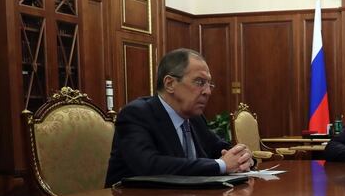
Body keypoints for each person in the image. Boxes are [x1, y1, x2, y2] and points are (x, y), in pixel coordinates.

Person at [105, 48, 252, 187]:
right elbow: (149, 165)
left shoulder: (194, 119)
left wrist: (242, 157)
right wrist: (221, 165)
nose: (207, 92)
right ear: (170, 84)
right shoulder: (137, 114)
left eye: (209, 84)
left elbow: (220, 148)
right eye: (199, 82)